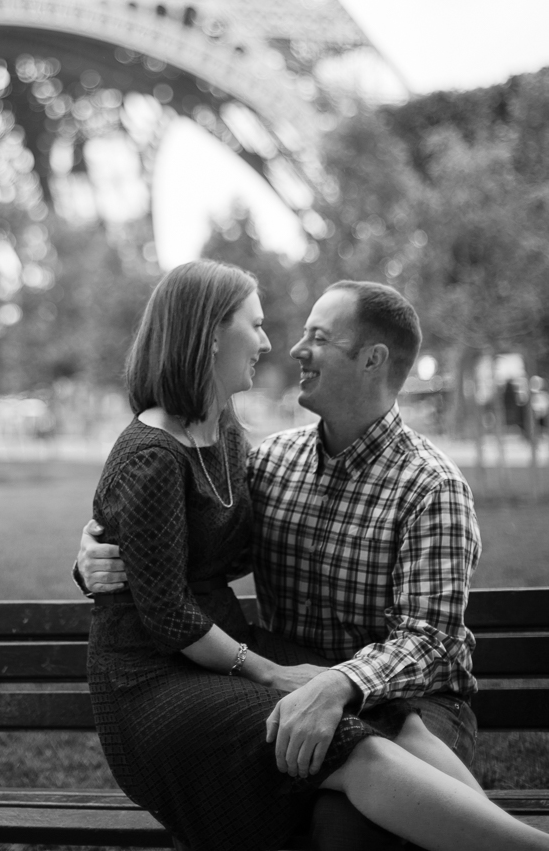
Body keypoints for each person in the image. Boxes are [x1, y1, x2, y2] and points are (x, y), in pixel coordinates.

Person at [82, 260, 549, 851]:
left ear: (373, 360)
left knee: (356, 808)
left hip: (409, 694)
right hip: (285, 677)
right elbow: (189, 550)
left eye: (319, 338)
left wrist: (341, 684)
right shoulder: (271, 462)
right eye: (281, 328)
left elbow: (427, 642)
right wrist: (96, 555)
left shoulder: (431, 486)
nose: (291, 347)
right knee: (339, 808)